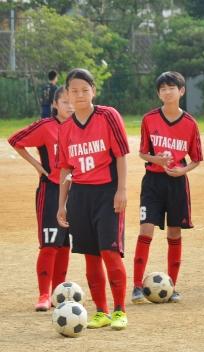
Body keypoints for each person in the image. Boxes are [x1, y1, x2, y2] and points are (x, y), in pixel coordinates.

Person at [55, 68, 130, 330]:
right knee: (90, 255)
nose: (79, 95)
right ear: (67, 94)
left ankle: (119, 310)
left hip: (107, 193)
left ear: (93, 91)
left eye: (85, 90)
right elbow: (65, 169)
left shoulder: (108, 116)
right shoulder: (65, 129)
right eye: (74, 91)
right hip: (80, 196)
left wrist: (122, 190)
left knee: (110, 251)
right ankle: (102, 311)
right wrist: (62, 204)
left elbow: (120, 155)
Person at [132, 71, 203, 304]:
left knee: (174, 232)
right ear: (158, 93)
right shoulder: (149, 119)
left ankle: (172, 286)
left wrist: (183, 170)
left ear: (181, 91)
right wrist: (157, 160)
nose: (167, 92)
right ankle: (137, 286)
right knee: (146, 230)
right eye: (162, 89)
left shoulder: (190, 123)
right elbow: (143, 153)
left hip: (177, 184)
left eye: (172, 88)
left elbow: (196, 159)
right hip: (152, 183)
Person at [8, 86, 74, 310]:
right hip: (51, 190)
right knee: (49, 244)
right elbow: (15, 140)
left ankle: (58, 293)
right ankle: (44, 294)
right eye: (64, 102)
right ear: (55, 104)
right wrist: (38, 165)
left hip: (75, 191)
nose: (70, 106)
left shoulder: (80, 127)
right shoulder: (45, 126)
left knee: (64, 244)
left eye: (72, 102)